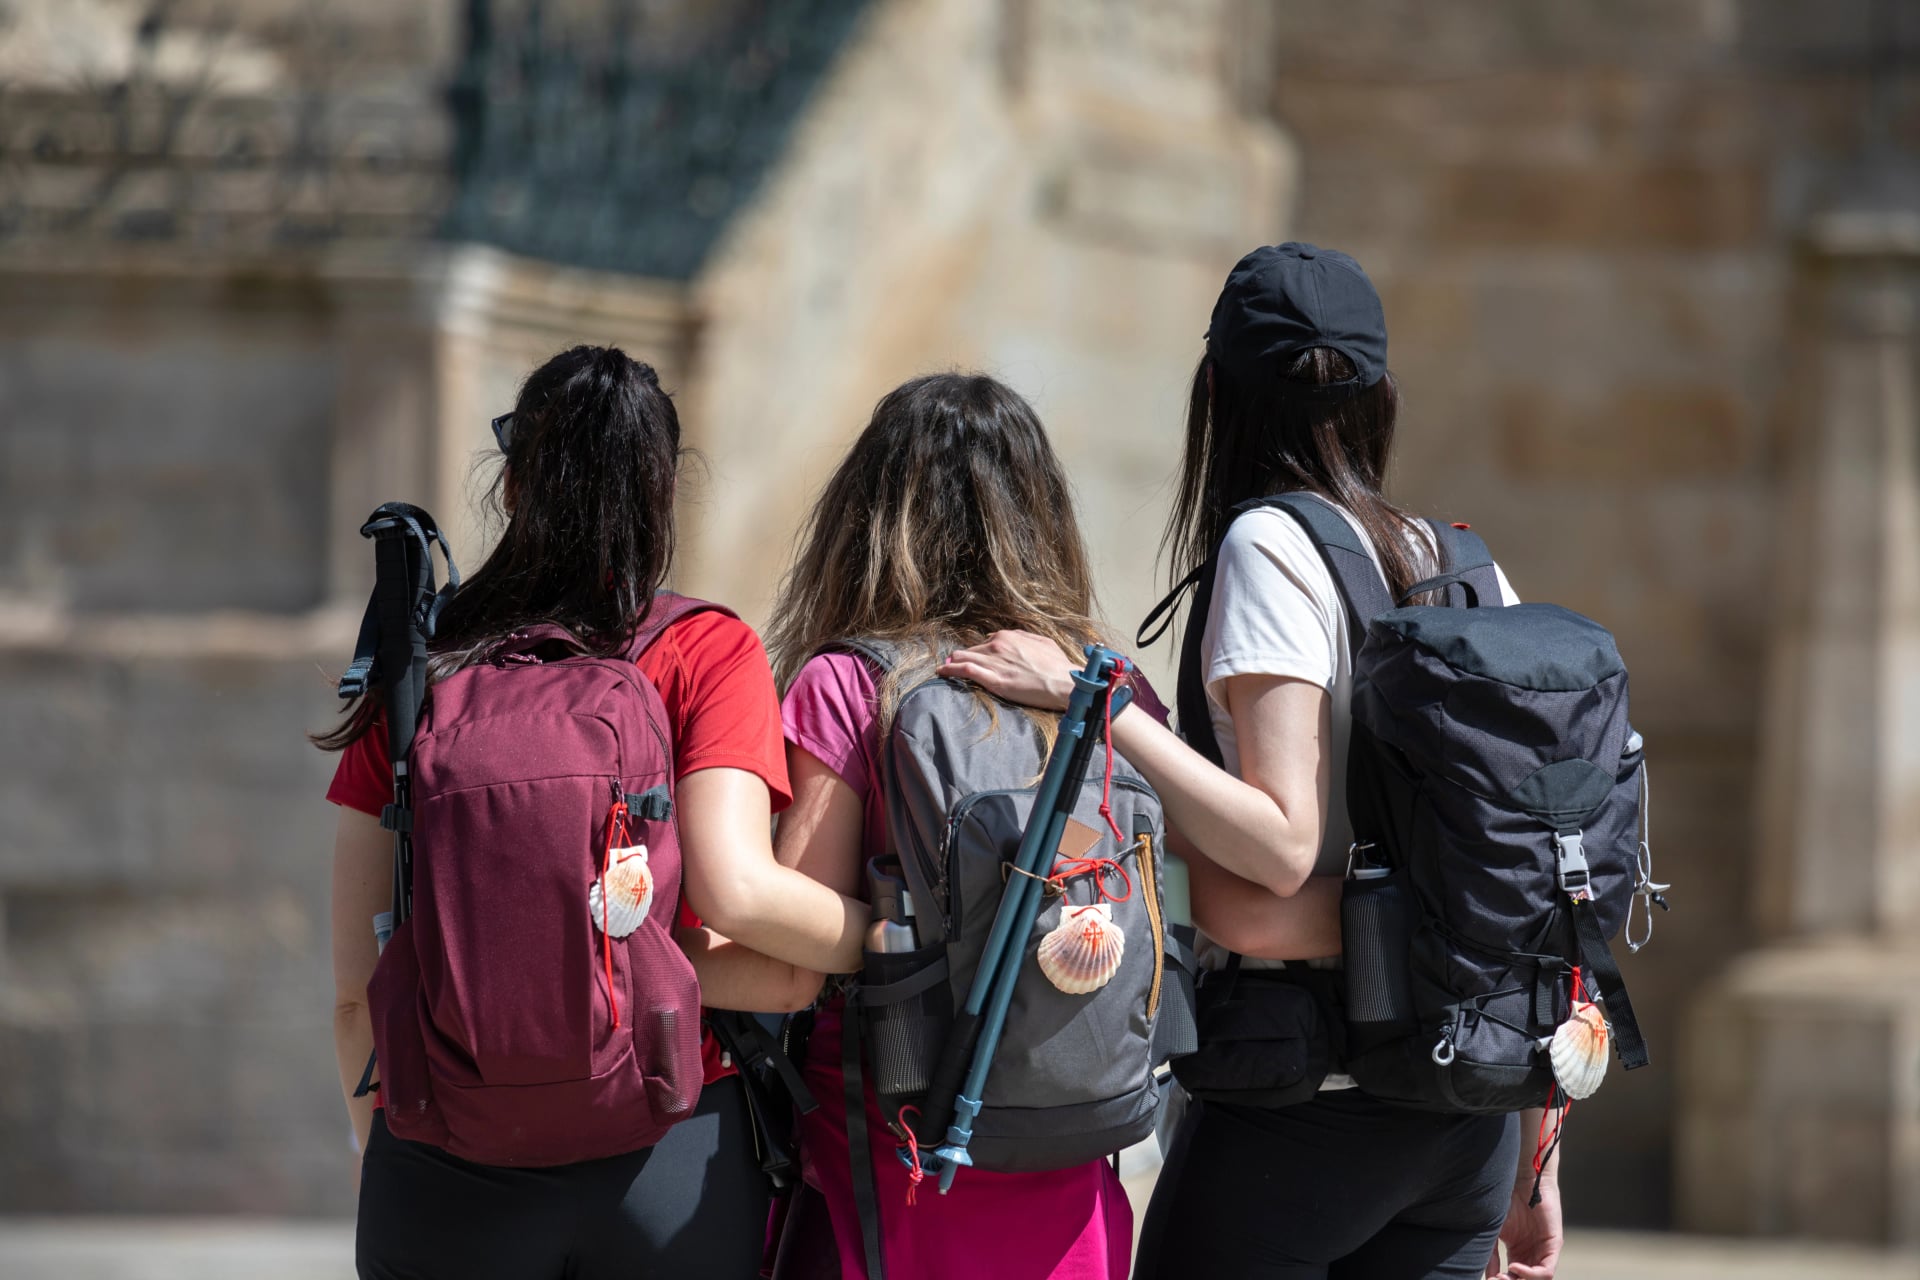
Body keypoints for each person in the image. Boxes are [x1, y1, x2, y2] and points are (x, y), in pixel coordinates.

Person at [939, 244, 1561, 1280]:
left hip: (1309, 1112)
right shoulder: (1467, 563)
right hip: (1467, 1121)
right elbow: (1526, 884)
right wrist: (1535, 1165)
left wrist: (1100, 706)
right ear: (1379, 397)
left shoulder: (1273, 545)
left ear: (1218, 390)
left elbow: (1281, 845)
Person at [319, 345, 863, 1280]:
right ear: (660, 491)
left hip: (447, 1155)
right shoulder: (706, 651)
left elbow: (353, 988)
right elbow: (748, 914)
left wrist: (396, 1156)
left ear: (514, 480)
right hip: (669, 1151)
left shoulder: (426, 669)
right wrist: (888, 938)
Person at [764, 373, 1166, 1280]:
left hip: (892, 1166)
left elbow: (794, 953)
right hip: (1075, 1167)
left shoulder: (849, 684)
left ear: (866, 517)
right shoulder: (1108, 693)